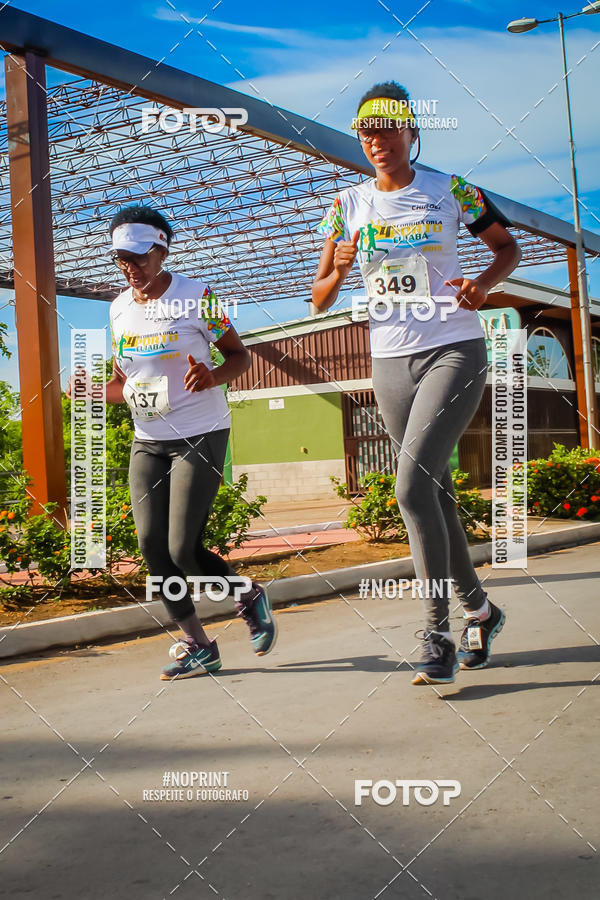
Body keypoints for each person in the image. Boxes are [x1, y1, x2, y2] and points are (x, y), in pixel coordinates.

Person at [312, 83, 521, 685]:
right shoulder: (346, 204)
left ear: (411, 130)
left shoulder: (450, 190)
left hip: (452, 348)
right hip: (389, 360)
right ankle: (481, 609)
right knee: (436, 493)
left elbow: (506, 249)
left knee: (410, 489)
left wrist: (481, 285)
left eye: (387, 128)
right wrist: (341, 269)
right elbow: (319, 294)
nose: (376, 140)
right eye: (365, 132)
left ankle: (435, 634)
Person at [67, 205, 277, 680]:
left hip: (199, 434)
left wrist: (213, 376)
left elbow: (240, 356)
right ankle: (198, 644)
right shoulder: (118, 309)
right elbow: (125, 384)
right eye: (122, 258)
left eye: (140, 257)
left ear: (163, 250)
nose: (131, 267)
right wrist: (91, 390)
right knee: (152, 547)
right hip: (149, 439)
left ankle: (247, 595)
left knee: (184, 549)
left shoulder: (195, 297)